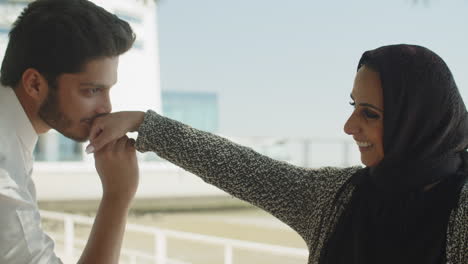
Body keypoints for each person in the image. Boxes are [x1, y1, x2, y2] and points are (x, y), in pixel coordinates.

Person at [88, 44, 468, 264]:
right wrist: (145, 123)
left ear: (418, 120)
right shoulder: (335, 197)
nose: (349, 126)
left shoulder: (461, 211)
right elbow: (244, 169)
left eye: (369, 114)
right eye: (354, 106)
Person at [0, 0, 139, 263]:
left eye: (109, 90)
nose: (106, 108)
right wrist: (118, 196)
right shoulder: (4, 168)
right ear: (34, 84)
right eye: (91, 91)